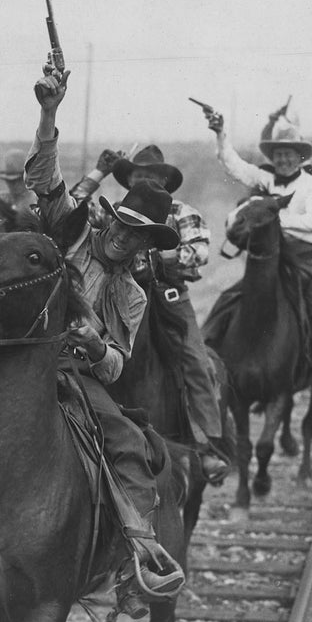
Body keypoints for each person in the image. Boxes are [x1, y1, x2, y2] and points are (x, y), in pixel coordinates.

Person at [0, 67, 186, 622]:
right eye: (123, 225)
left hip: (72, 375)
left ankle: (135, 563)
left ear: (148, 243)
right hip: (3, 356)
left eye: (138, 236)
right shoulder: (72, 231)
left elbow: (117, 364)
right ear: (112, 218)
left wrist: (96, 344)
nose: (124, 239)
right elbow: (45, 179)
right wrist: (50, 113)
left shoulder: (131, 294)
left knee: (130, 448)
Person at [199, 104, 312, 401]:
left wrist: (273, 221)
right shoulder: (267, 180)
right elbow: (234, 165)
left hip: (306, 259)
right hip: (272, 259)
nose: (283, 159)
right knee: (230, 297)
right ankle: (206, 353)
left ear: (300, 157)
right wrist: (221, 134)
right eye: (278, 155)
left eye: (289, 154)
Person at [109, 144, 230, 484]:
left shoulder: (182, 212)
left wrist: (160, 259)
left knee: (195, 360)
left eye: (153, 175)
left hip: (168, 296)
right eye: (139, 175)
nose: (146, 180)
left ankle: (206, 447)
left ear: (164, 180)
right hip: (118, 295)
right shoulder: (115, 212)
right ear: (129, 179)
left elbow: (199, 250)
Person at [0, 148, 38, 212]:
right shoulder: (2, 199)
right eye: (10, 181)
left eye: (18, 180)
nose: (14, 185)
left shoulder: (36, 203)